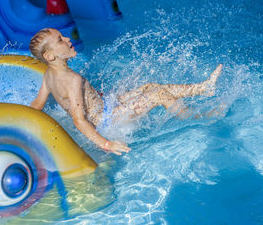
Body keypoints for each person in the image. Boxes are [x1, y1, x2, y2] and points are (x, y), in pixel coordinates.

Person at [29, 28, 222, 155]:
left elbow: (37, 105)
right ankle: (195, 117)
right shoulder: (72, 80)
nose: (67, 38)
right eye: (60, 40)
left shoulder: (49, 75)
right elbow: (79, 121)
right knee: (158, 95)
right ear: (49, 55)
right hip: (108, 121)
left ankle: (203, 89)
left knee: (150, 86)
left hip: (106, 107)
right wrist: (106, 144)